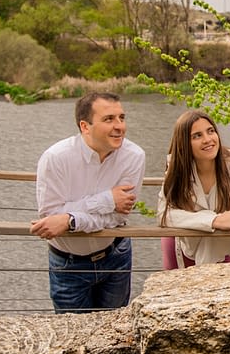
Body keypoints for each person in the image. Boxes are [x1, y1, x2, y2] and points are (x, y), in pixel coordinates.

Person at [29, 92, 146, 311]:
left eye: (122, 117)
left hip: (116, 257)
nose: (119, 126)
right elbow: (52, 219)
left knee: (115, 335)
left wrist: (71, 219)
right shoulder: (56, 158)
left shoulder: (134, 156)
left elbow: (118, 216)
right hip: (68, 264)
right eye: (109, 119)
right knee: (72, 338)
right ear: (85, 126)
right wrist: (108, 199)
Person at [157, 110, 230, 268]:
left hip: (222, 246)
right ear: (184, 143)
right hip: (182, 246)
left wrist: (219, 220)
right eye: (197, 135)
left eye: (210, 131)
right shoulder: (176, 168)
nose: (207, 139)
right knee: (180, 292)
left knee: (222, 291)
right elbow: (164, 214)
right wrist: (213, 220)